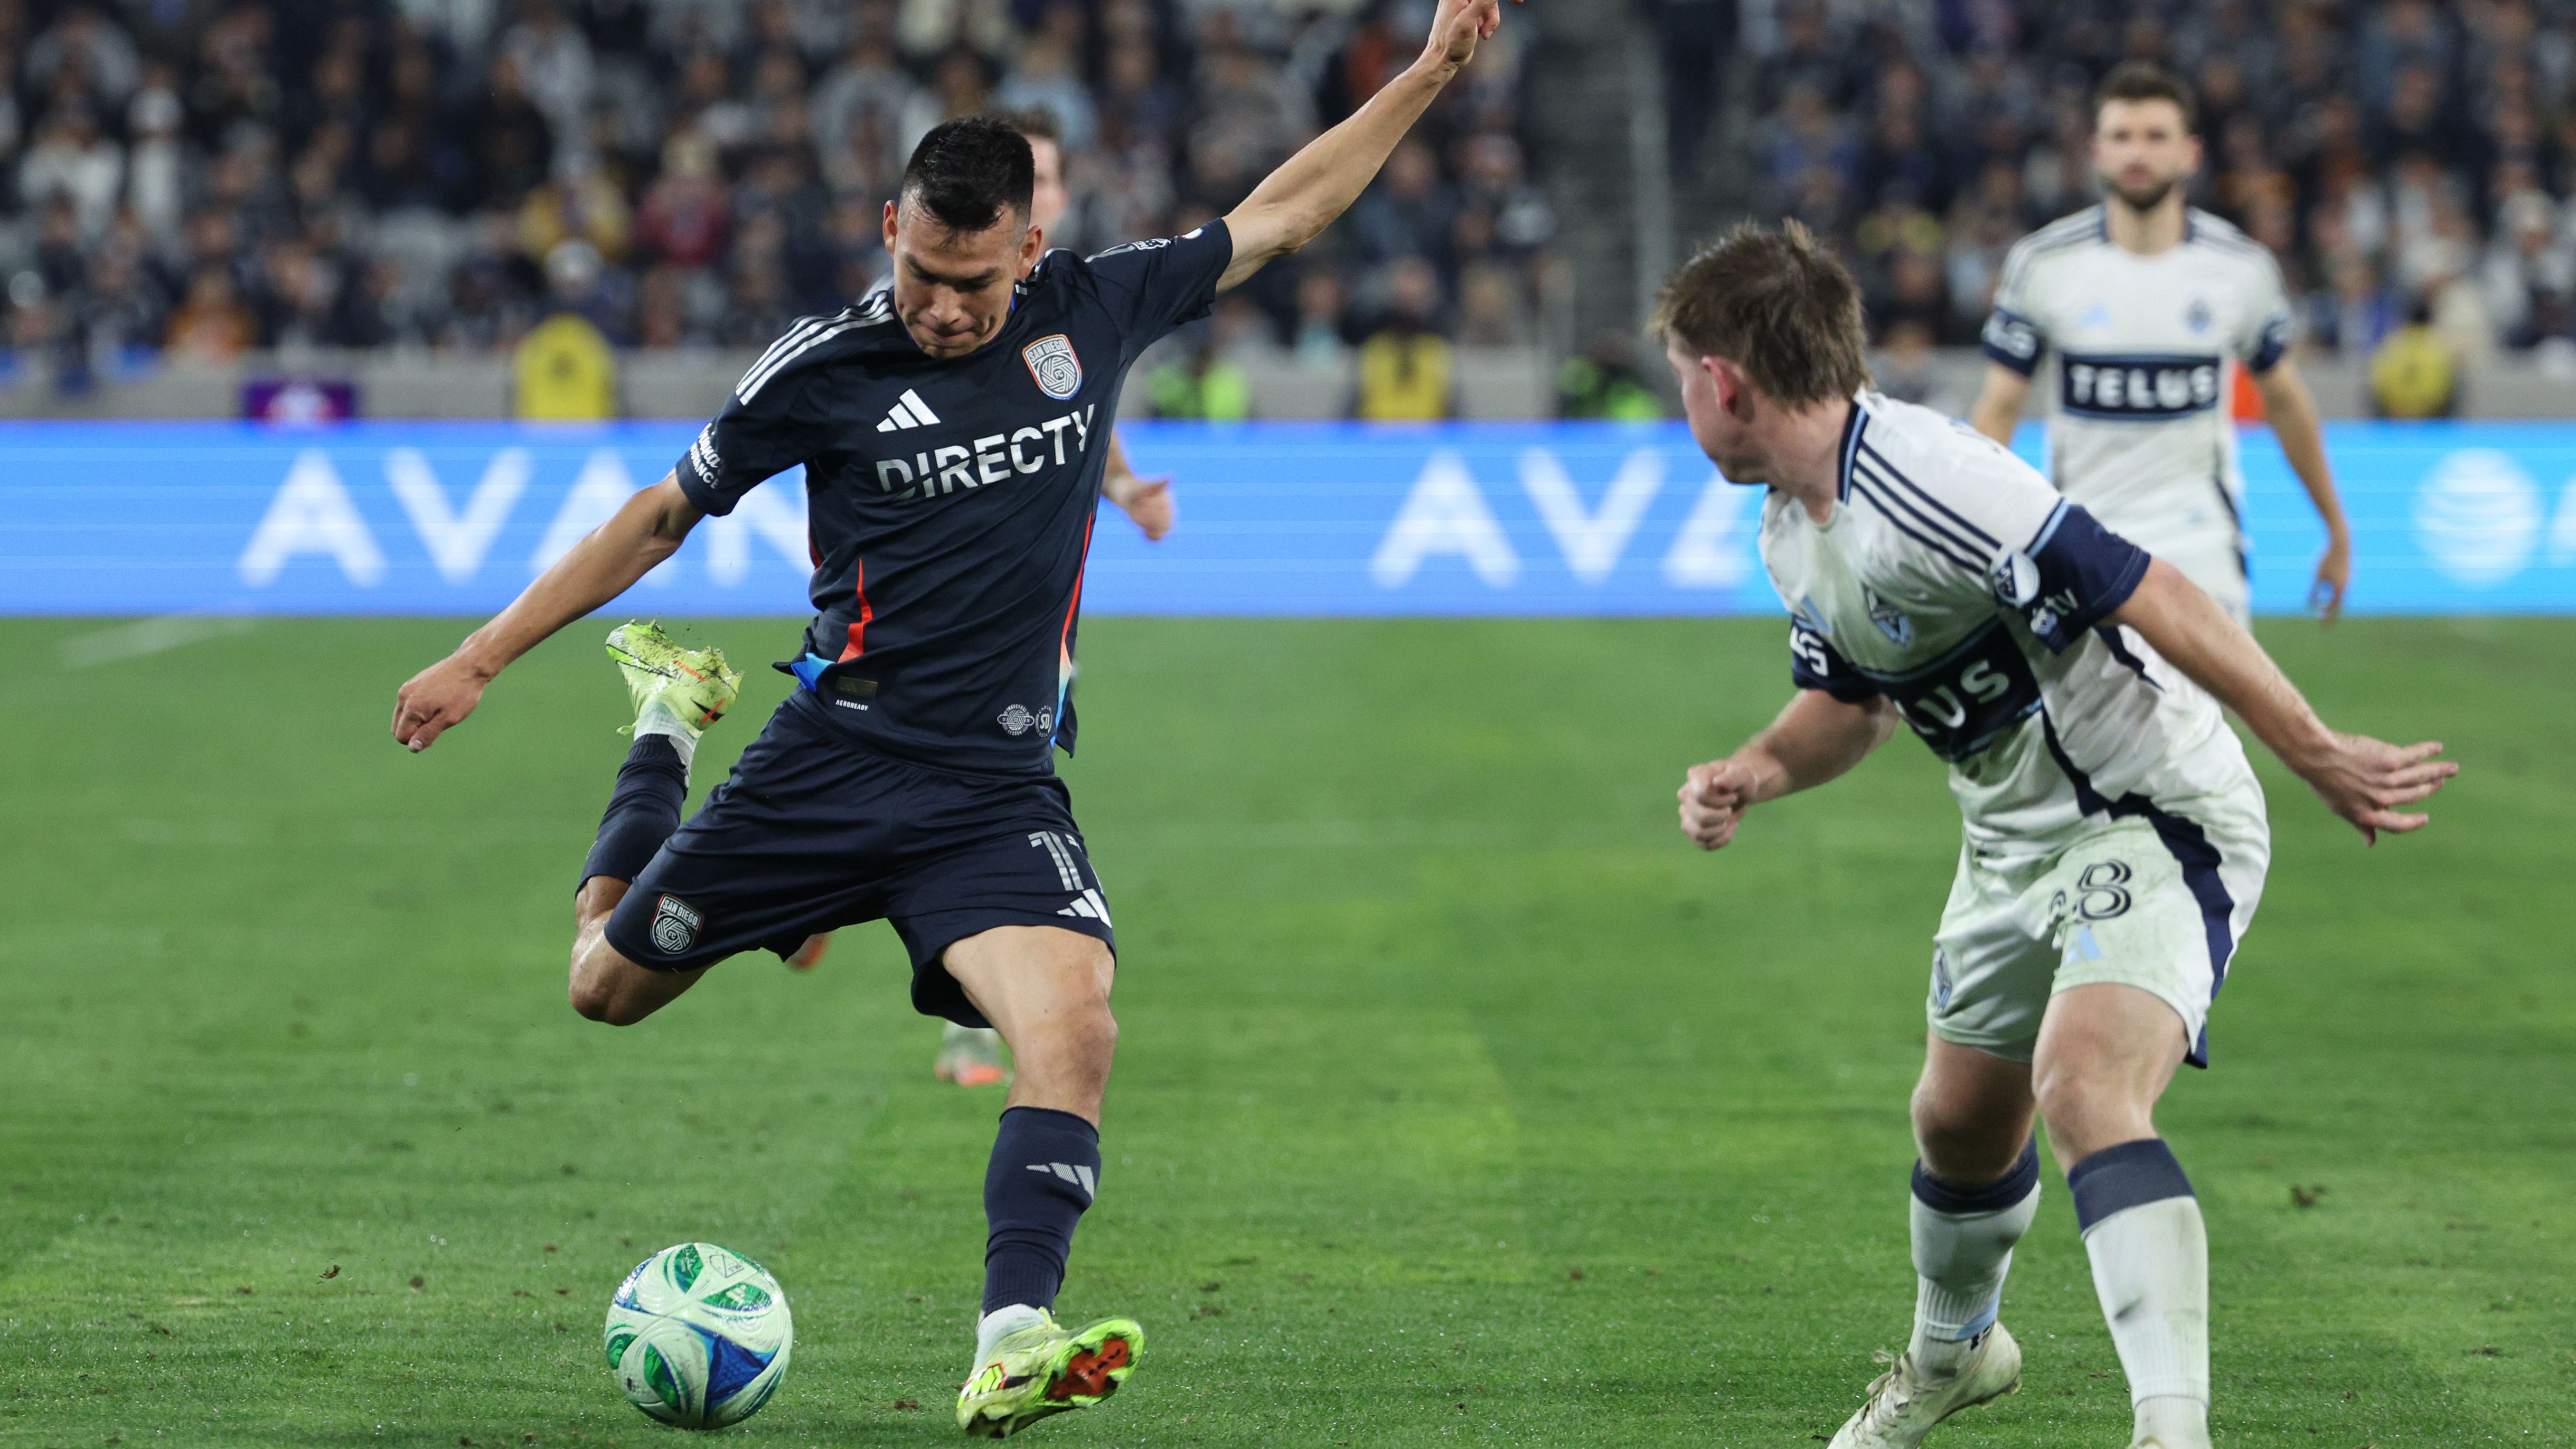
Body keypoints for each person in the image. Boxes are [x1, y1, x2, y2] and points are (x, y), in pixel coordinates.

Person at [389, 1, 1516, 1437]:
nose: (942, 308)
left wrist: (1426, 73)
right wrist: (482, 657)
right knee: (601, 987)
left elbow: (1284, 210)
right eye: (922, 274)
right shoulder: (824, 369)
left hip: (987, 793)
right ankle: (667, 726)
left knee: (1077, 1027)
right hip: (828, 761)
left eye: (972, 284)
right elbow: (658, 520)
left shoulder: (1092, 310)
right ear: (888, 232)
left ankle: (1010, 1340)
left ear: (1027, 248)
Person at [1657, 221, 2455, 1449]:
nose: (1681, 406)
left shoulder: (1935, 480)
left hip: (2144, 809)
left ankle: (2169, 1429)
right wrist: (1754, 769)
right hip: (2006, 845)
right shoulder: (1788, 524)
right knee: (1954, 1125)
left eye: (1678, 380)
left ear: (1722, 379)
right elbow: (1852, 703)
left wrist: (2307, 747)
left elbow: (2157, 590)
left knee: (2080, 1085)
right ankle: (1953, 1353)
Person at [785, 105, 1179, 1095]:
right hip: (902, 616)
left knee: (995, 768)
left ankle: (967, 1014)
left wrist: (1123, 487)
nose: (1040, 191)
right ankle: (832, 895)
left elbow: (1087, 407)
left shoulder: (1062, 306)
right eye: (1030, 175)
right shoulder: (916, 320)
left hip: (1031, 606)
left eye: (1049, 180)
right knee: (944, 768)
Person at [1969, 62, 2354, 626]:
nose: (2137, 153)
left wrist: (2336, 529)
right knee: (2080, 718)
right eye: (2122, 137)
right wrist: (1972, 533)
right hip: (2080, 543)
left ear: (2190, 154)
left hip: (2202, 548)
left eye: (2155, 137)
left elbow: (2288, 403)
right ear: (2097, 152)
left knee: (2211, 718)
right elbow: (1999, 408)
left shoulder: (2241, 269)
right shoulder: (2043, 263)